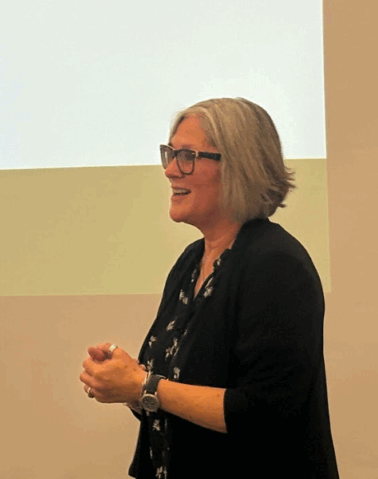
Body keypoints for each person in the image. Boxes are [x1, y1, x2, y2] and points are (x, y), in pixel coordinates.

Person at [79, 98, 339, 478]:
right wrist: (124, 380)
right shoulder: (190, 262)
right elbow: (175, 394)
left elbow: (264, 412)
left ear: (238, 166)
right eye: (169, 154)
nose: (170, 170)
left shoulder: (276, 265)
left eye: (186, 156)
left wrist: (143, 386)